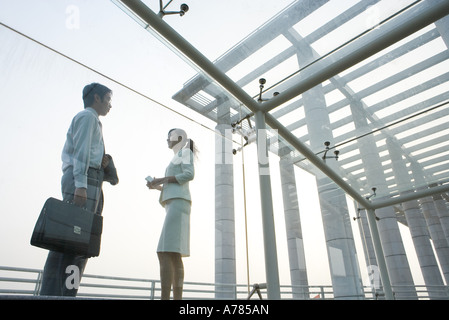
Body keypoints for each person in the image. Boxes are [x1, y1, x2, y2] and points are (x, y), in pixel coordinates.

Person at [39, 82, 114, 296]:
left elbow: (84, 152)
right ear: (97, 98)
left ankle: (53, 293)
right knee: (77, 243)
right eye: (108, 99)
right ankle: (64, 294)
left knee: (66, 239)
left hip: (86, 179)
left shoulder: (91, 120)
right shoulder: (88, 117)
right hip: (84, 182)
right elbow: (81, 152)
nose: (110, 105)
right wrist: (81, 186)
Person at [147, 128, 196, 300]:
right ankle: (177, 299)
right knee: (174, 253)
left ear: (180, 138)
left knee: (164, 251)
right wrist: (157, 186)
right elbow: (175, 185)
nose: (167, 138)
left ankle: (166, 298)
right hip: (176, 202)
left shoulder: (184, 152)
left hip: (178, 203)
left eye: (170, 135)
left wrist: (162, 179)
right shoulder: (177, 156)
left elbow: (189, 174)